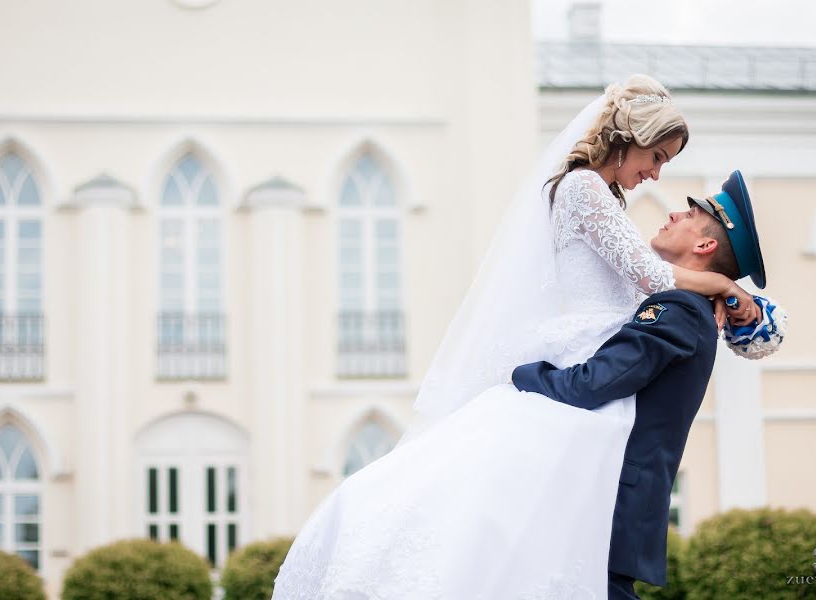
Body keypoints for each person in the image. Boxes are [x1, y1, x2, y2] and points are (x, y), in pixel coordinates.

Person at [271, 76, 761, 600]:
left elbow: (644, 299)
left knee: (523, 532)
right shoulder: (582, 187)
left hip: (592, 373)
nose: (657, 174)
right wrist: (720, 283)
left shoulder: (613, 212)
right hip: (581, 367)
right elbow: (648, 274)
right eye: (657, 156)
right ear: (629, 138)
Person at [512, 170, 767, 599]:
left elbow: (595, 383)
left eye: (689, 213)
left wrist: (522, 376)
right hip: (613, 504)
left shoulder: (680, 310)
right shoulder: (686, 307)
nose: (672, 212)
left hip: (611, 505)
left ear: (705, 245)